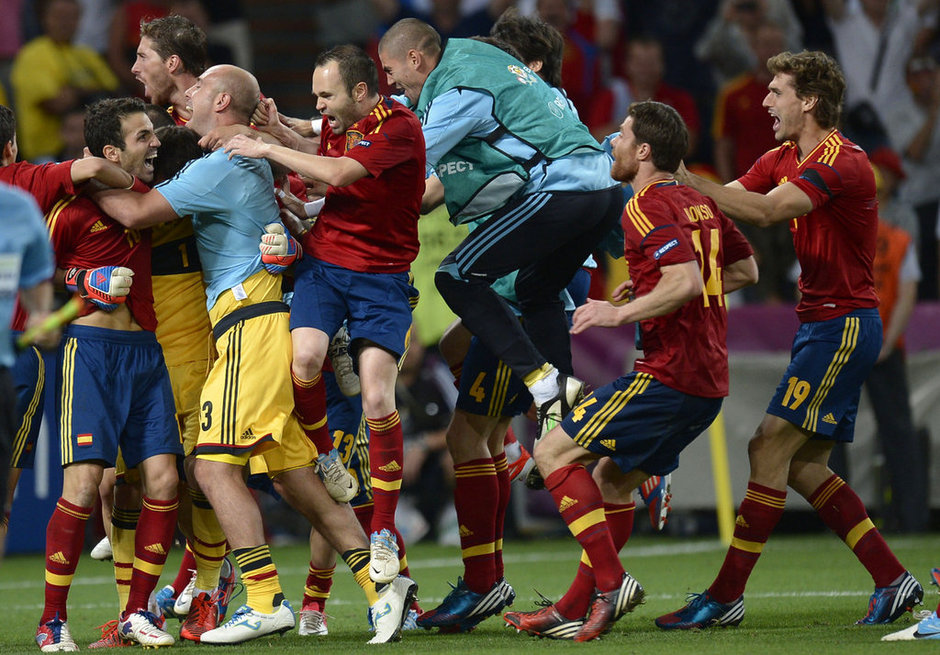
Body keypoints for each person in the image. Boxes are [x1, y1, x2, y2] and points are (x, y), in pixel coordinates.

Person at [93, 65, 417, 645]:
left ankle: (265, 600)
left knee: (211, 467)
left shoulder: (222, 166)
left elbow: (137, 214)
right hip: (262, 321)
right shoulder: (235, 161)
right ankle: (381, 585)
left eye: (196, 92)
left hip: (251, 326)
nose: (184, 99)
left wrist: (79, 175)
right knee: (294, 480)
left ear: (220, 101)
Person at [655, 50, 924, 630]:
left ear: (809, 101)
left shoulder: (844, 163)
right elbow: (722, 199)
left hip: (844, 326)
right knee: (804, 467)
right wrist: (657, 204)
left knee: (767, 448)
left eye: (776, 92)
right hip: (821, 326)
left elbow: (766, 211)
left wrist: (681, 177)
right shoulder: (783, 156)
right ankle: (894, 579)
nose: (765, 101)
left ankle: (725, 595)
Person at [502, 100, 757, 642]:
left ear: (644, 151)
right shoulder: (698, 202)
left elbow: (686, 281)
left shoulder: (643, 205)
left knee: (551, 452)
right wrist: (650, 290)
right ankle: (572, 606)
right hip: (706, 383)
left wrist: (620, 311)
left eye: (620, 135)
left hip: (668, 374)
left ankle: (612, 583)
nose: (611, 144)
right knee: (611, 482)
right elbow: (742, 269)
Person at [224, 44, 425, 585]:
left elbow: (335, 173)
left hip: (382, 278)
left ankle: (383, 529)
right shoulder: (343, 119)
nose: (321, 106)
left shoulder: (400, 128)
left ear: (361, 91)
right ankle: (325, 454)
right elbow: (316, 140)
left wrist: (265, 146)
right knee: (305, 358)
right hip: (326, 265)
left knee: (378, 395)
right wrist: (280, 129)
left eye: (326, 95)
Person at [377, 18, 623, 445]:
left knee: (469, 437)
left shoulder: (478, 103)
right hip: (552, 255)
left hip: (529, 249)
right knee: (459, 351)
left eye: (503, 58)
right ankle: (558, 417)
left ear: (533, 66)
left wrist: (342, 191)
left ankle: (597, 429)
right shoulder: (542, 108)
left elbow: (424, 188)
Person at [36, 97, 183, 651]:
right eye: (142, 136)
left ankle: (137, 614)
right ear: (108, 152)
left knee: (165, 481)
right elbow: (39, 276)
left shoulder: (153, 201)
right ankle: (52, 621)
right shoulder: (68, 210)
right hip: (90, 352)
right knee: (81, 486)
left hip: (147, 352)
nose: (155, 143)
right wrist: (81, 281)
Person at [0, 103, 147, 559]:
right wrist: (133, 187)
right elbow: (95, 166)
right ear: (11, 147)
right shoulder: (23, 190)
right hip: (14, 361)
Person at [0, 182, 56, 563]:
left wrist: (43, 318)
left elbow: (39, 299)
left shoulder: (20, 209)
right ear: (10, 149)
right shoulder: (20, 209)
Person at [10, 0, 119, 162]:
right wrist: (90, 93)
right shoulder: (33, 55)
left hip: (89, 148)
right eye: (59, 16)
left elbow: (114, 95)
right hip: (47, 152)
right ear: (44, 18)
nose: (65, 23)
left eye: (71, 17)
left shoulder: (86, 55)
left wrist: (74, 92)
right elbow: (54, 104)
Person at [132, 14, 209, 126]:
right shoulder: (156, 131)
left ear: (172, 63)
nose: (134, 68)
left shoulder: (232, 112)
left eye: (143, 57)